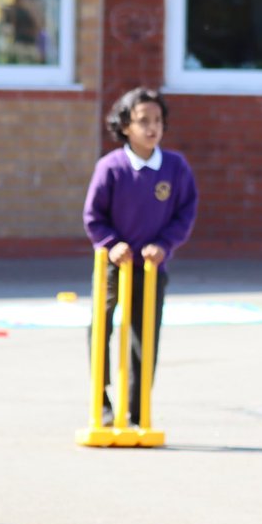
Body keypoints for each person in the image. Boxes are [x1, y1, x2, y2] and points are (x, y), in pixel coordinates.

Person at [83, 87, 199, 427]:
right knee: (101, 328)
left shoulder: (175, 167)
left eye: (158, 120)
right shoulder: (111, 167)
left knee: (144, 336)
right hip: (114, 266)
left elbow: (185, 213)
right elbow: (93, 216)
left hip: (150, 268)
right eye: (143, 121)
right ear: (125, 126)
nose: (152, 128)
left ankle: (137, 409)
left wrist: (164, 244)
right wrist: (111, 244)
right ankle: (102, 402)